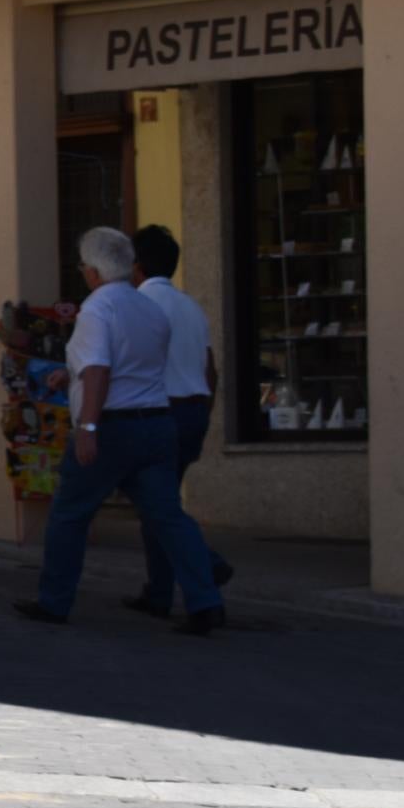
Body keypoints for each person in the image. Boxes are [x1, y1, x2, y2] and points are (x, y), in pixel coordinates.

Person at [14, 227, 225, 634]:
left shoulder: (98, 308)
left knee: (69, 514)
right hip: (156, 422)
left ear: (92, 271)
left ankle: (54, 602)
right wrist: (70, 375)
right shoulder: (149, 308)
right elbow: (128, 364)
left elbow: (99, 370)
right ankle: (206, 600)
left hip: (112, 424)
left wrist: (88, 426)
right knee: (168, 516)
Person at [126, 224, 232, 619]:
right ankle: (159, 591)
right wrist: (203, 411)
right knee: (160, 502)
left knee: (157, 505)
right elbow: (210, 369)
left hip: (158, 412)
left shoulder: (138, 304)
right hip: (193, 410)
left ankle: (203, 564)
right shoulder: (190, 305)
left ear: (135, 265)